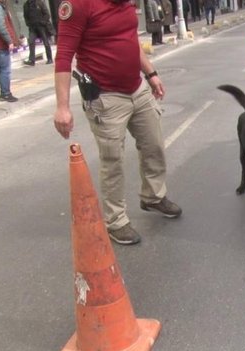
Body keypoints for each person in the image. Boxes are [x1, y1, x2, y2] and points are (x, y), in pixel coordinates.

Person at [53, 0, 182, 245]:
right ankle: (116, 221)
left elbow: (130, 38)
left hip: (137, 87)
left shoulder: (126, 3)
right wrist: (62, 107)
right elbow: (63, 56)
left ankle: (153, 196)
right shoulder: (78, 5)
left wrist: (151, 73)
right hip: (105, 97)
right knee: (113, 161)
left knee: (154, 145)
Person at [22, 0, 54, 66]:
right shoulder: (26, 5)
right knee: (31, 42)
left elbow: (47, 14)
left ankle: (49, 58)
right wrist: (28, 23)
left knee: (46, 42)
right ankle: (31, 60)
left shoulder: (40, 2)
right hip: (32, 27)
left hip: (41, 26)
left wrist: (43, 22)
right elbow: (25, 16)